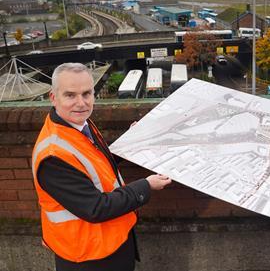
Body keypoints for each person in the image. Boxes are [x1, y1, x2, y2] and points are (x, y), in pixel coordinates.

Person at [31, 63, 171, 271]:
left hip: (109, 243)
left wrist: (127, 142)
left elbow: (96, 162)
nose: (81, 103)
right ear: (53, 97)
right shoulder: (53, 156)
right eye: (70, 95)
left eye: (87, 93)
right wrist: (146, 186)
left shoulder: (77, 125)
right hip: (88, 258)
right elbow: (96, 208)